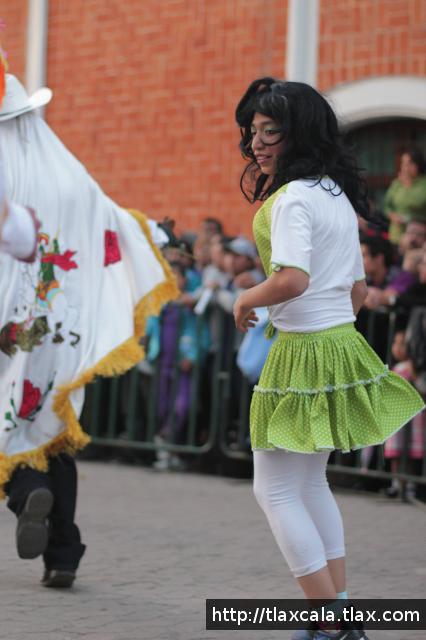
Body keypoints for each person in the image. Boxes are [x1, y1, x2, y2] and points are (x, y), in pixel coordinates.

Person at [232, 77, 425, 640]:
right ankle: (338, 618)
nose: (257, 143)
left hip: (306, 351)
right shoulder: (334, 193)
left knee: (276, 490)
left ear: (301, 135)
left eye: (271, 131)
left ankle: (334, 624)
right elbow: (358, 290)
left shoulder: (291, 198)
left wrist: (247, 297)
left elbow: (292, 279)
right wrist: (329, 328)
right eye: (253, 132)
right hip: (336, 340)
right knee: (309, 485)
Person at [0, 74, 178, 588]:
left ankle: (26, 488)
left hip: (11, 325)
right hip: (61, 329)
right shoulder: (69, 173)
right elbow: (115, 221)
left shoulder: (10, 175)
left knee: (10, 420)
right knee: (53, 431)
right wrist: (160, 234)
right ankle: (64, 552)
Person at [383, 147, 426, 244]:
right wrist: (392, 216)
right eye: (403, 163)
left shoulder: (423, 184)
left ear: (418, 164)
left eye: (410, 163)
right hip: (396, 233)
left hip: (418, 236)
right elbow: (387, 205)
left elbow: (418, 202)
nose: (406, 167)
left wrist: (407, 186)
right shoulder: (397, 183)